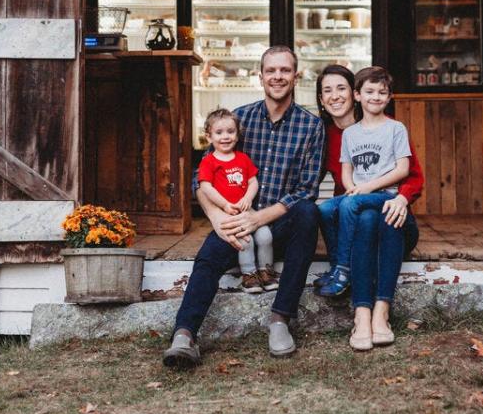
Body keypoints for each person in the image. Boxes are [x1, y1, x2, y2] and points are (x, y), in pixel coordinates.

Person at [163, 46, 325, 368]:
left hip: (278, 221)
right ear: (260, 75)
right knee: (208, 257)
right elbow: (201, 177)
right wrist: (218, 217)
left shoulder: (311, 126)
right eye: (271, 71)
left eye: (284, 70)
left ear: (296, 76)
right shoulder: (240, 119)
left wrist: (258, 218)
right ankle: (185, 335)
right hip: (236, 223)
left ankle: (280, 319)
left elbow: (306, 189)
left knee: (309, 214)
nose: (277, 77)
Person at [314, 65, 422, 351]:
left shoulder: (394, 129)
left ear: (353, 94)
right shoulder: (326, 136)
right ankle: (363, 315)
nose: (335, 96)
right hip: (360, 215)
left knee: (377, 213)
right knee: (354, 215)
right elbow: (338, 174)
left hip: (393, 212)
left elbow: (410, 174)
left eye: (341, 88)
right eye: (327, 90)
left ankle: (379, 310)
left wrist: (401, 198)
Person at [196, 108, 277, 294]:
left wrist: (248, 198)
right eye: (219, 132)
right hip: (228, 213)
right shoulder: (209, 161)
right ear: (209, 137)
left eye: (230, 132)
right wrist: (224, 205)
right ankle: (249, 275)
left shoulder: (242, 158)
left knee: (265, 235)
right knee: (245, 240)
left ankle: (266, 271)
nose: (225, 137)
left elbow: (252, 181)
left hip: (248, 211)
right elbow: (206, 187)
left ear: (237, 135)